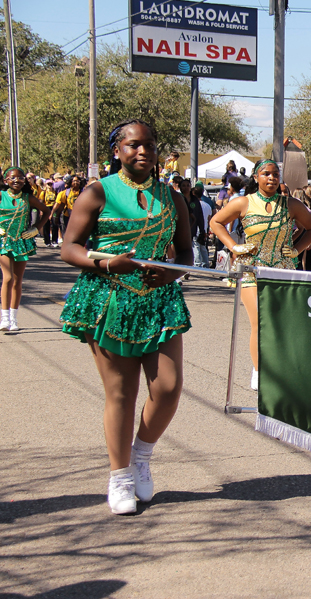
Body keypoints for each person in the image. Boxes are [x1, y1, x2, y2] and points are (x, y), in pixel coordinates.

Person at [57, 119, 192, 515]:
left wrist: (170, 272)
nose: (142, 151)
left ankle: (141, 456)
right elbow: (70, 247)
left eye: (149, 144)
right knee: (121, 392)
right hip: (108, 298)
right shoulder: (97, 192)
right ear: (117, 150)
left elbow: (184, 252)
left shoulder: (173, 197)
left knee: (168, 387)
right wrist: (105, 265)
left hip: (159, 300)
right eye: (133, 145)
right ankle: (119, 478)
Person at [209, 160, 311, 392]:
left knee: (282, 322)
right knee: (259, 321)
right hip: (251, 269)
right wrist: (233, 246)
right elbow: (216, 222)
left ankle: (281, 368)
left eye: (275, 174)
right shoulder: (243, 202)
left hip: (282, 270)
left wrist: (298, 248)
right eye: (266, 174)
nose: (271, 178)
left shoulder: (290, 204)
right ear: (256, 177)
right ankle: (259, 371)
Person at [0, 167, 50, 332]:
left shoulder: (28, 198)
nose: (16, 180)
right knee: (7, 278)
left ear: (25, 181)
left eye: (20, 178)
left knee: (17, 281)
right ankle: (4, 318)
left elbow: (46, 212)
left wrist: (35, 228)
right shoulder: (1, 196)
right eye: (12, 178)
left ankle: (13, 319)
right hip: (4, 242)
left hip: (21, 242)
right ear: (6, 180)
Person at [51, 175, 81, 242]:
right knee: (67, 233)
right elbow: (61, 205)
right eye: (74, 181)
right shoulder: (66, 192)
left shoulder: (83, 192)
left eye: (77, 181)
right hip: (67, 215)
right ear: (70, 182)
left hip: (79, 216)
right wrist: (57, 216)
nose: (75, 182)